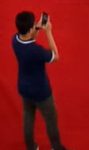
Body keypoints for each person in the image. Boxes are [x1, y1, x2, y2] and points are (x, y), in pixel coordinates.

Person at [14, 11, 66, 150]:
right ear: (29, 29)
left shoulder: (15, 40)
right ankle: (56, 147)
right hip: (41, 91)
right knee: (50, 118)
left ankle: (30, 146)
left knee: (28, 116)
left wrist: (37, 27)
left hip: (23, 87)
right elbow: (55, 56)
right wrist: (47, 31)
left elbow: (29, 37)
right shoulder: (36, 51)